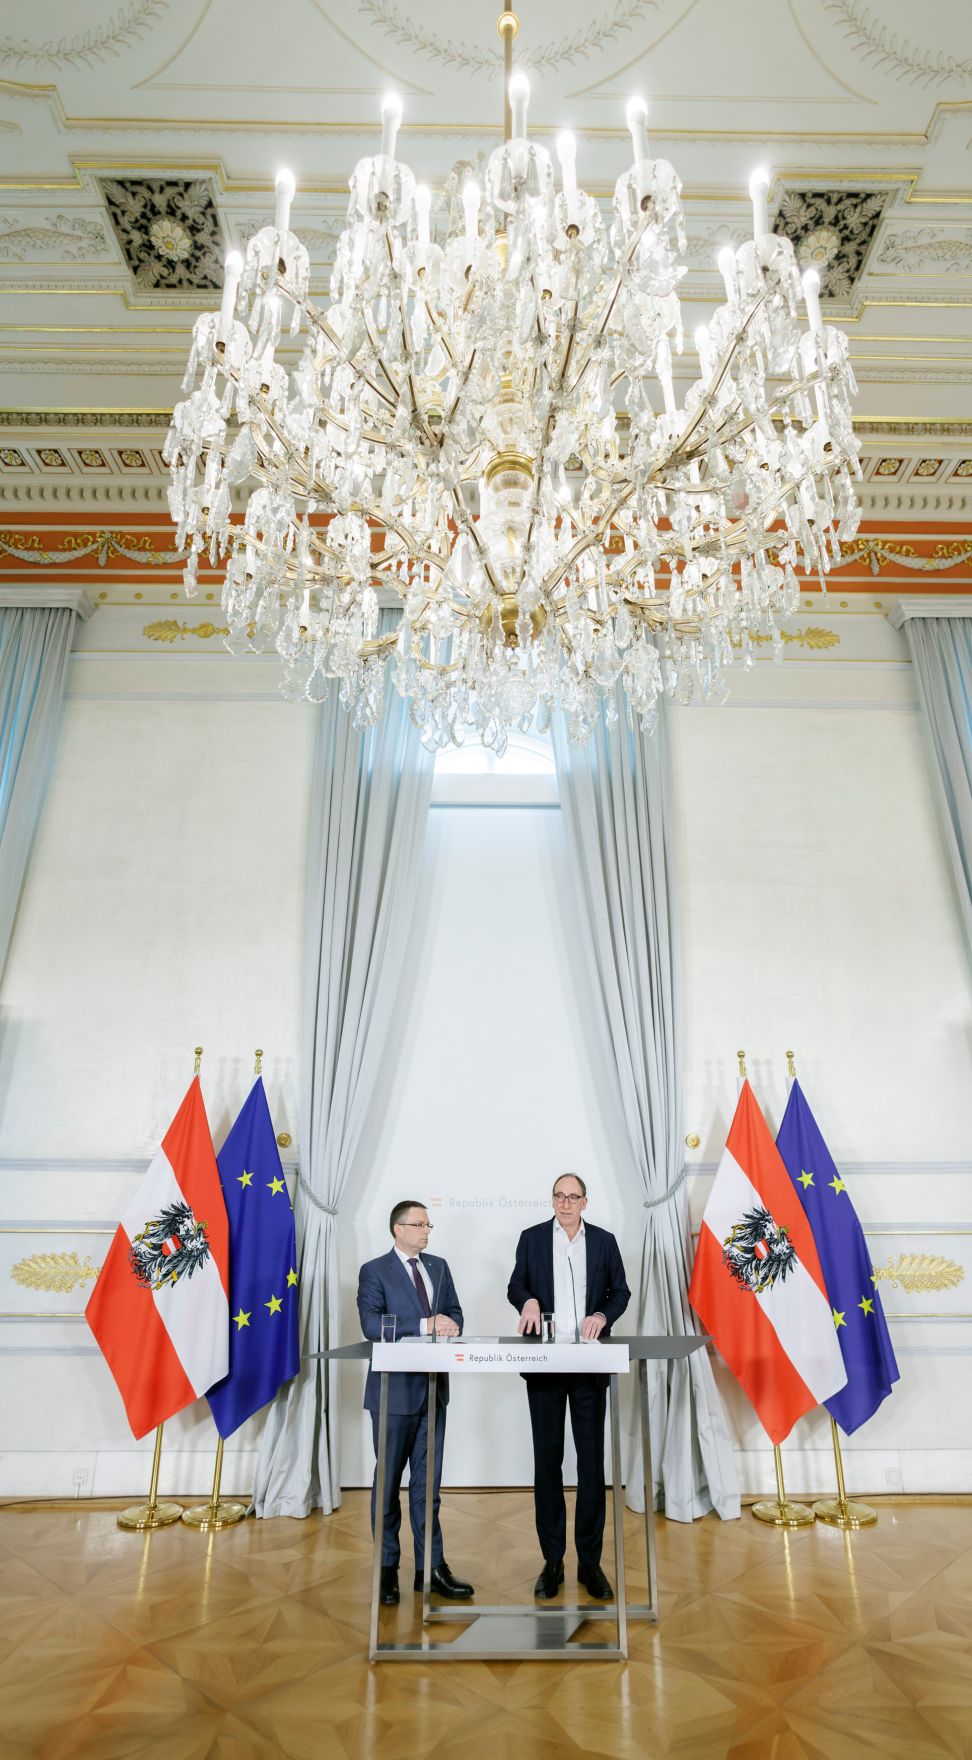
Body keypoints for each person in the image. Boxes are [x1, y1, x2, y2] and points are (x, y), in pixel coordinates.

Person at [507, 1172, 630, 1601]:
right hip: (544, 1364)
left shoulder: (604, 1241)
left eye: (573, 1197)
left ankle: (590, 1563)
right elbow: (516, 1284)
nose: (565, 1203)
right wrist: (528, 1301)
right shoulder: (532, 1238)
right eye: (559, 1196)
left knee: (591, 1466)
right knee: (548, 1463)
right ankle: (553, 1560)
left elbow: (621, 1292)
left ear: (585, 1202)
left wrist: (602, 1315)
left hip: (589, 1366)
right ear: (552, 1200)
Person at [357, 1199, 475, 1607]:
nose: (426, 1231)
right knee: (388, 1485)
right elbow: (371, 1324)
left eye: (428, 1225)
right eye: (420, 1224)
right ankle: (387, 1568)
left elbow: (454, 1312)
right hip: (393, 1394)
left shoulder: (439, 1267)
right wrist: (426, 1325)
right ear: (398, 1228)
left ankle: (432, 1568)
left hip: (434, 1392)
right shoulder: (375, 1270)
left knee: (428, 1488)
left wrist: (452, 1325)